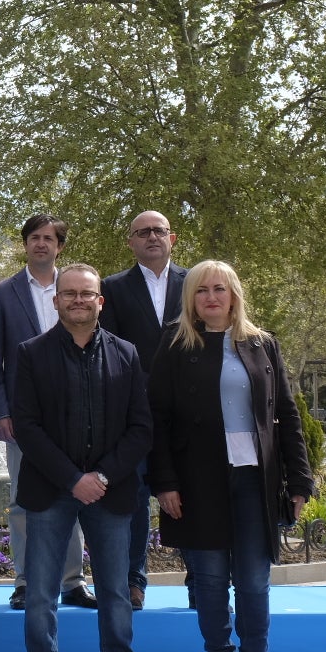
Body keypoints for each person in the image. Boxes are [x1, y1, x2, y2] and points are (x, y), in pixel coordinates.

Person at [146, 260, 314, 652]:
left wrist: (299, 480)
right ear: (191, 299)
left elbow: (288, 415)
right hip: (198, 484)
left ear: (234, 295)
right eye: (202, 291)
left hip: (254, 483)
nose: (211, 298)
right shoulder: (176, 344)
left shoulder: (262, 344)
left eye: (220, 289)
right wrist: (163, 482)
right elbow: (156, 419)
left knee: (255, 583)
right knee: (212, 582)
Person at [10, 264, 153, 652]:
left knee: (114, 595)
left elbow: (140, 428)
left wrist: (102, 477)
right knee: (40, 597)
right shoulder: (30, 354)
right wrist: (73, 479)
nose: (77, 300)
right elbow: (26, 428)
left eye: (86, 294)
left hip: (110, 494)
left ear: (99, 301)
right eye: (68, 294)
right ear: (55, 302)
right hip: (51, 490)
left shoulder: (127, 355)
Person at [0, 214, 91, 611]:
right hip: (23, 416)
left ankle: (72, 582)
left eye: (48, 238)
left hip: (75, 413)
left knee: (74, 493)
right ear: (25, 244)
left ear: (59, 246)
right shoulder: (2, 293)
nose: (41, 244)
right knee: (21, 499)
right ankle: (25, 580)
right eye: (34, 238)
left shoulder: (77, 287)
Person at [99, 210, 187, 610]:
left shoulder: (196, 285)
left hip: (187, 412)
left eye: (158, 231)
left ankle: (200, 577)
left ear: (172, 238)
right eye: (143, 232)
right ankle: (134, 581)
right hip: (131, 413)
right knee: (132, 498)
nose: (152, 237)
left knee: (190, 493)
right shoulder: (112, 288)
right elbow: (109, 351)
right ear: (130, 241)